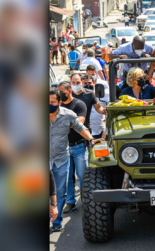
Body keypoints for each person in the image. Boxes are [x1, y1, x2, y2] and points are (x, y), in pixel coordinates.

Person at [49, 88, 103, 232]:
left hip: (61, 160)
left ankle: (56, 221)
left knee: (60, 192)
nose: (49, 104)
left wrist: (91, 139)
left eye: (53, 102)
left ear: (59, 102)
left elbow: (80, 128)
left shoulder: (68, 115)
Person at [57, 82, 88, 214]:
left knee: (82, 176)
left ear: (69, 91)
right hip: (64, 148)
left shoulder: (79, 104)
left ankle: (86, 200)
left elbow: (79, 123)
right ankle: (71, 202)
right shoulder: (57, 105)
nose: (60, 95)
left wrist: (62, 123)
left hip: (79, 146)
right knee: (68, 177)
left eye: (62, 92)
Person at [84, 75, 109, 139]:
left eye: (89, 83)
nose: (88, 85)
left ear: (94, 83)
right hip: (84, 132)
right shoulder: (78, 96)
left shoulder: (102, 94)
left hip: (98, 131)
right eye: (85, 83)